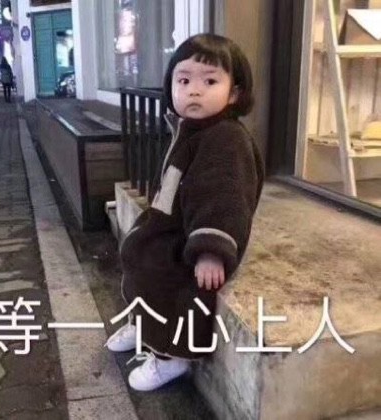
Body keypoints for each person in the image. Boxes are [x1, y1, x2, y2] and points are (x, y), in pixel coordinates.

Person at [106, 34, 264, 391]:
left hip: (195, 238)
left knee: (167, 279)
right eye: (184, 80)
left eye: (210, 81)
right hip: (172, 224)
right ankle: (142, 324)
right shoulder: (192, 130)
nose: (194, 90)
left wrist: (210, 251)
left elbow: (224, 197)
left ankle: (170, 355)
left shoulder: (226, 139)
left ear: (234, 93)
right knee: (140, 257)